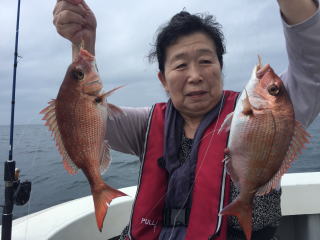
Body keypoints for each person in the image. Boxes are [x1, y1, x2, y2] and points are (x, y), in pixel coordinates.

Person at [53, 0, 320, 239]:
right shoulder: (145, 124)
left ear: (220, 66)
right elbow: (81, 119)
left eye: (206, 60)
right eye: (180, 65)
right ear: (163, 80)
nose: (195, 75)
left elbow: (313, 67)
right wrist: (83, 43)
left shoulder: (269, 115)